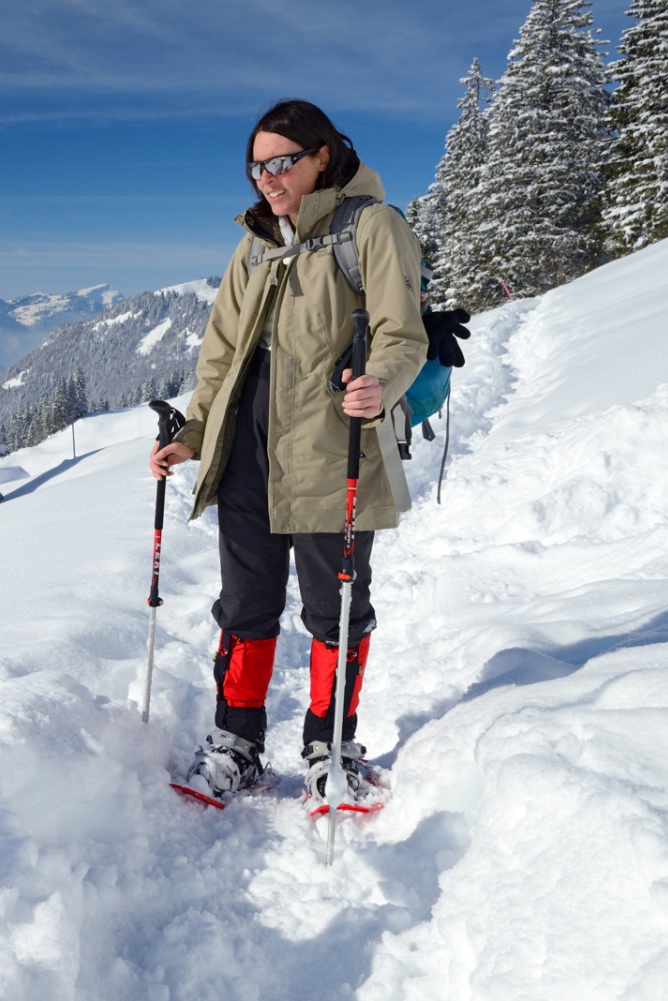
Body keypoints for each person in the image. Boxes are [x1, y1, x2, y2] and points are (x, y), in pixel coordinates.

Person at [148, 99, 428, 805]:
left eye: (282, 162)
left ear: (322, 157)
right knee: (245, 601)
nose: (267, 177)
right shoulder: (254, 244)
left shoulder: (372, 227)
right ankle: (235, 742)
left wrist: (380, 385)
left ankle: (332, 746)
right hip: (247, 446)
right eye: (256, 165)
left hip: (331, 444)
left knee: (335, 604)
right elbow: (220, 360)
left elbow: (404, 335)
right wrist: (193, 435)